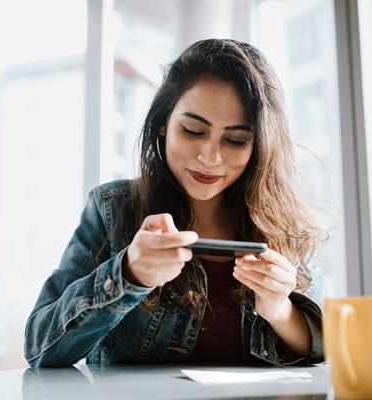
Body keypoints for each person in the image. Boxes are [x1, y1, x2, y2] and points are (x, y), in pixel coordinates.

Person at [24, 39, 326, 367]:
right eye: (193, 131)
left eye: (236, 140)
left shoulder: (281, 222)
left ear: (260, 147)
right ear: (164, 123)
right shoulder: (113, 209)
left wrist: (280, 309)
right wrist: (128, 274)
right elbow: (40, 348)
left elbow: (321, 349)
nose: (209, 157)